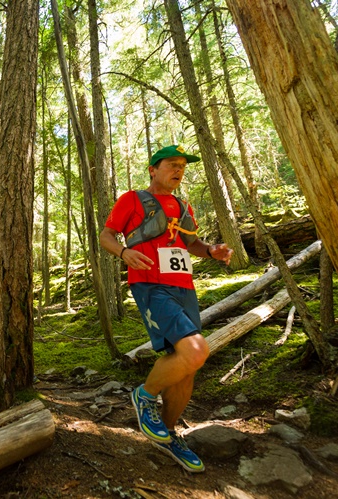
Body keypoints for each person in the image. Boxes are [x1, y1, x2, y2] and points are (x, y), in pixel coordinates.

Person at [99, 145, 233, 473]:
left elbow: (190, 245)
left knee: (187, 363)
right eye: (172, 165)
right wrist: (123, 253)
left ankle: (169, 434)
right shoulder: (131, 199)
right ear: (153, 169)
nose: (178, 171)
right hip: (150, 284)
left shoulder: (182, 206)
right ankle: (145, 396)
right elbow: (106, 235)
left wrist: (212, 251)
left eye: (182, 167)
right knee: (196, 352)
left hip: (183, 286)